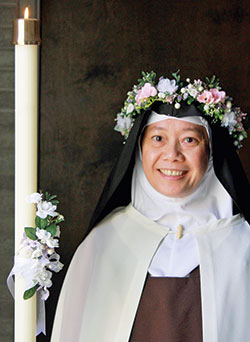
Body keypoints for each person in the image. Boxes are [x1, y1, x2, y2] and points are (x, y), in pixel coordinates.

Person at [51, 71, 250, 342]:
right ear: (139, 148)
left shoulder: (243, 244)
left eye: (189, 139)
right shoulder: (104, 241)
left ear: (212, 151)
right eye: (158, 138)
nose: (172, 155)